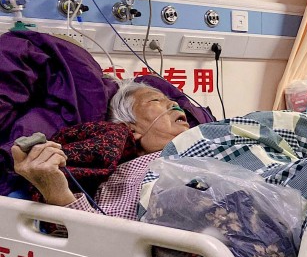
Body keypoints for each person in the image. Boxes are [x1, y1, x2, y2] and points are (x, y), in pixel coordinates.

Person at [11, 82, 193, 220]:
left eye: (173, 101)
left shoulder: (208, 141)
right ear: (132, 129)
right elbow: (106, 244)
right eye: (155, 100)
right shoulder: (132, 173)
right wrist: (57, 192)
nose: (174, 105)